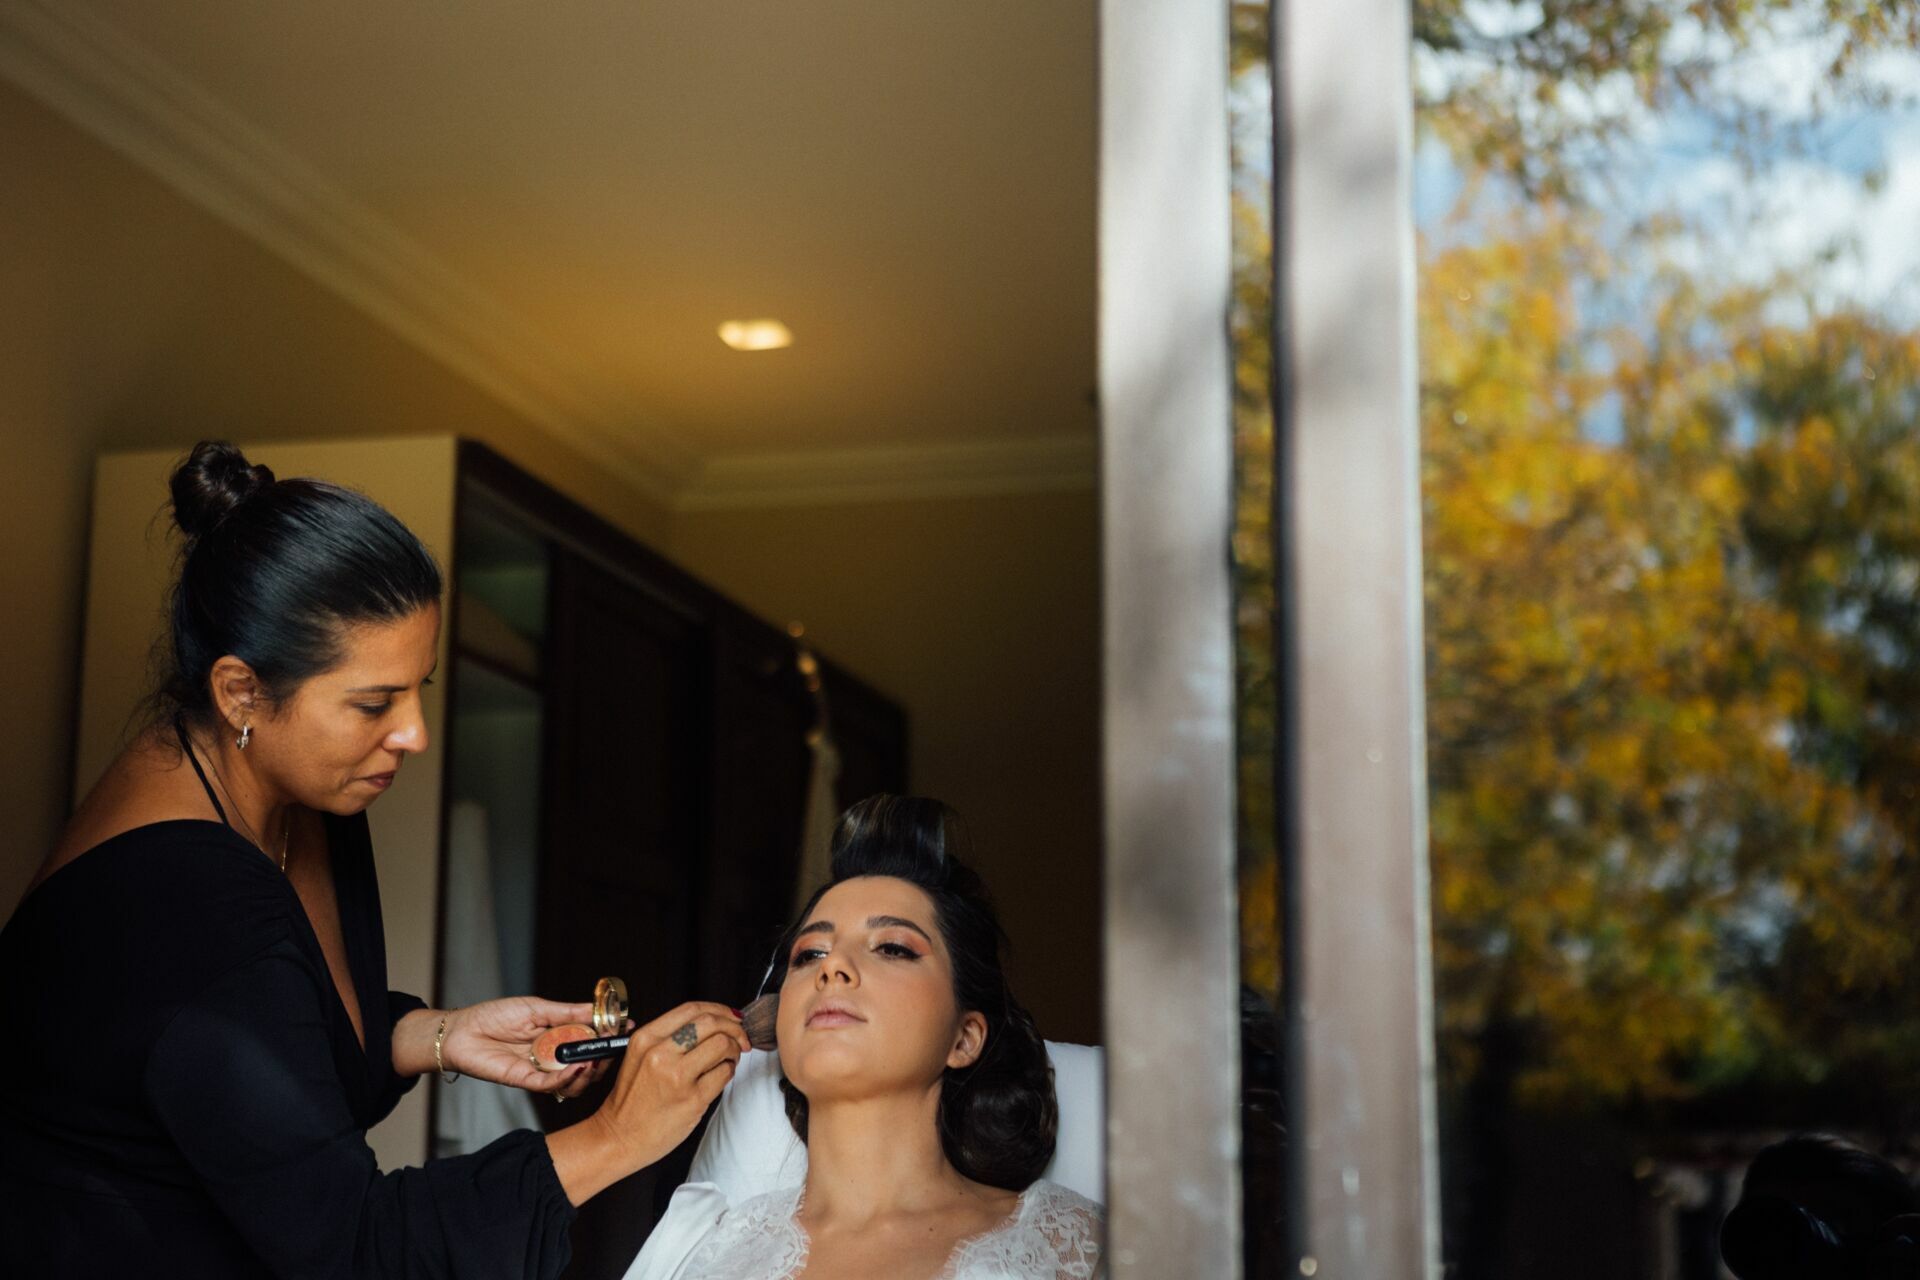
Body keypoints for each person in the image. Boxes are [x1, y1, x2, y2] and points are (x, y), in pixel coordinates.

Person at [0, 441, 749, 1278]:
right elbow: (354, 1249)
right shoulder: (186, 906)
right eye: (372, 703)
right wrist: (616, 1138)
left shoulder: (287, 783)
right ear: (240, 691)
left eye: (417, 689)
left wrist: (438, 1035)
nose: (412, 735)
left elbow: (247, 1062)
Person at [624, 795, 1103, 1280]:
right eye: (808, 954)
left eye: (893, 947)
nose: (832, 966)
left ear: (964, 1038)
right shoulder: (702, 1253)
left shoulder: (1075, 1247)